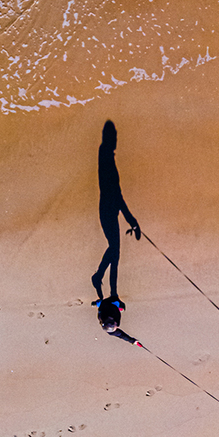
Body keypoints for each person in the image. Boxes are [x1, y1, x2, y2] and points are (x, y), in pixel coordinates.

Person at [92, 119, 141, 304]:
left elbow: (117, 195)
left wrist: (132, 221)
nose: (115, 141)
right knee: (114, 250)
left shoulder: (106, 154)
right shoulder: (105, 154)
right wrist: (132, 221)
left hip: (108, 209)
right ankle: (105, 284)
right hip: (108, 210)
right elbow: (117, 195)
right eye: (114, 137)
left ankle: (107, 286)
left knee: (115, 250)